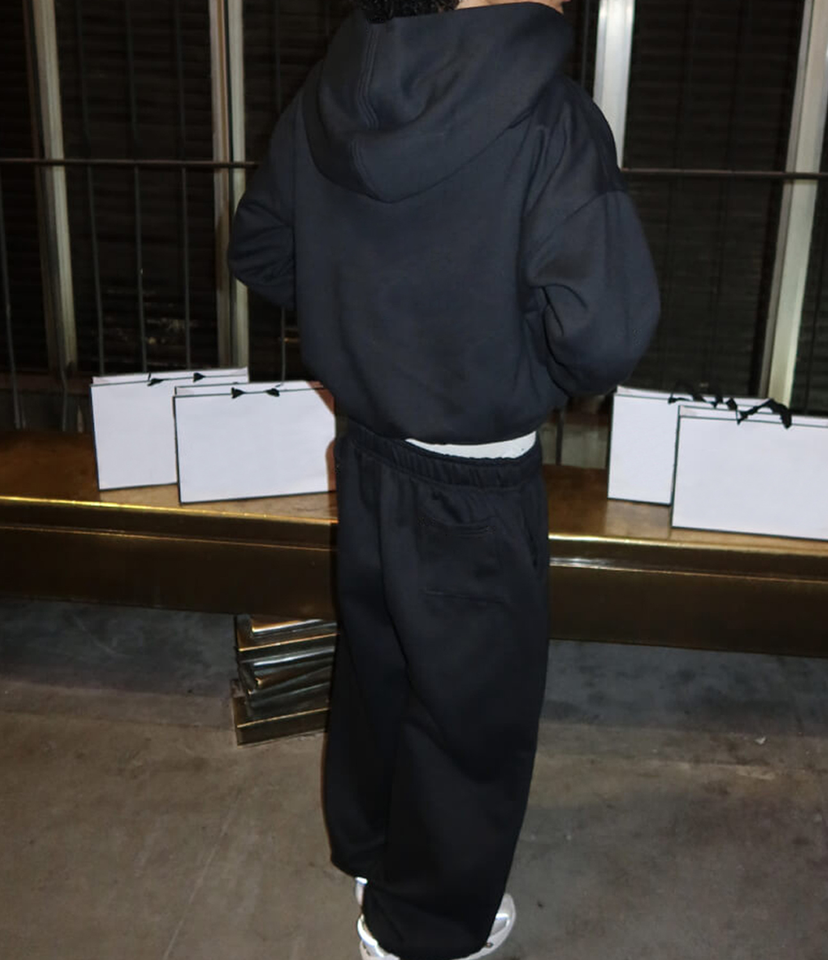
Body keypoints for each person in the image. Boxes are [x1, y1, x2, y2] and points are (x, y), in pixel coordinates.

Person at [228, 0, 659, 956]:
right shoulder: (551, 120)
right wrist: (517, 370)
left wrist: (360, 323)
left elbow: (260, 244)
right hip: (475, 476)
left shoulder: (334, 94)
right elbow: (605, 329)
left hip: (367, 453)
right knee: (470, 713)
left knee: (380, 666)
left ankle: (374, 851)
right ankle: (418, 929)